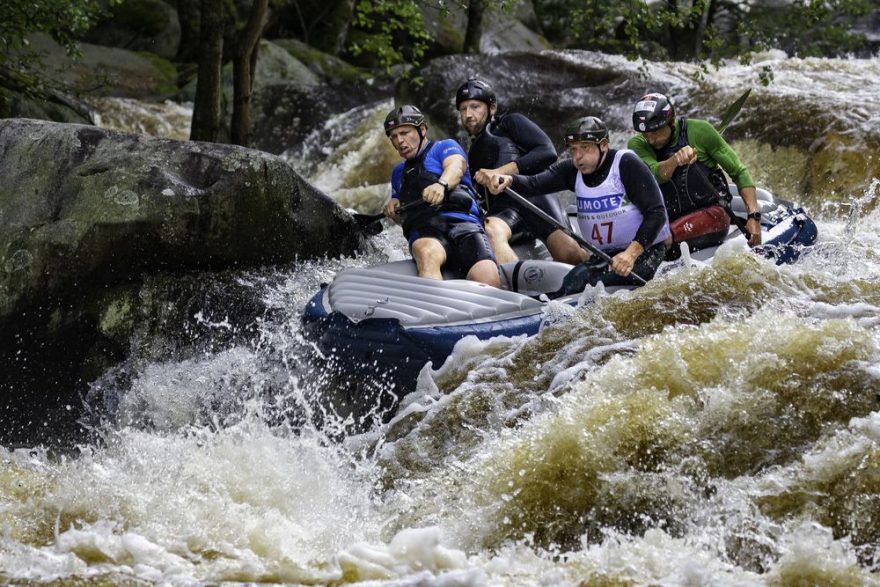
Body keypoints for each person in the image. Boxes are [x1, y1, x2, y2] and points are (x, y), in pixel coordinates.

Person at [490, 116, 670, 291]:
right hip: (607, 256)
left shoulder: (626, 164)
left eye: (585, 148)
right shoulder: (572, 170)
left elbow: (656, 212)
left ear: (604, 145)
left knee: (586, 285)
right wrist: (508, 180)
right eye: (573, 150)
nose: (578, 157)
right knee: (571, 283)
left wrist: (630, 255)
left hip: (645, 252)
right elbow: (534, 184)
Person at [455, 79, 584, 265]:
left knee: (569, 254)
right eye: (463, 109)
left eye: (475, 107)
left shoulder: (511, 123)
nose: (468, 114)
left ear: (492, 108)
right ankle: (514, 287)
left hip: (536, 199)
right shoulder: (471, 153)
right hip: (505, 210)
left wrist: (500, 172)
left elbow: (547, 152)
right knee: (490, 231)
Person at [381, 104, 500, 288]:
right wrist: (394, 208)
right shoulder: (398, 172)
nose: (400, 141)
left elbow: (456, 167)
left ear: (422, 130)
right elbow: (403, 217)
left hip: (464, 225)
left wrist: (441, 184)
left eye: (405, 133)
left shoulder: (444, 147)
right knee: (427, 252)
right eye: (394, 137)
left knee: (487, 276)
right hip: (427, 233)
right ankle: (435, 309)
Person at [628, 92, 763, 249]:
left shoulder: (700, 131)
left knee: (661, 237)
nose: (651, 139)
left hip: (713, 214)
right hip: (667, 218)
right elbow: (655, 174)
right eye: (646, 134)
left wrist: (753, 216)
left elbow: (739, 172)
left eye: (656, 132)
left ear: (671, 122)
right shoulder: (637, 145)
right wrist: (675, 161)